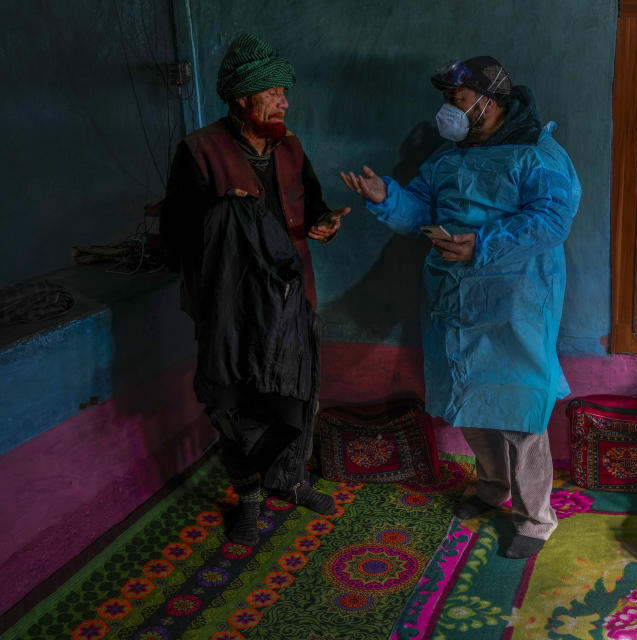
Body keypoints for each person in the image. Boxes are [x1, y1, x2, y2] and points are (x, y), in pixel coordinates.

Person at [339, 56, 581, 559]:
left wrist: (482, 244)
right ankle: (493, 488)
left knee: (519, 410)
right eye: (448, 99)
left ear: (489, 102)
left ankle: (536, 517)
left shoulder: (538, 154)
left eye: (458, 99)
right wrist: (387, 198)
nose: (448, 109)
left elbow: (551, 220)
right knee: (471, 400)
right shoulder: (448, 158)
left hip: (516, 297)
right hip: (455, 299)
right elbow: (421, 211)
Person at [161, 33, 349, 546]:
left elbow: (312, 207)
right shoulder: (200, 150)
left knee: (296, 396)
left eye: (285, 93)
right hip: (232, 308)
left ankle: (287, 480)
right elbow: (175, 234)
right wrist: (225, 210)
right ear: (244, 98)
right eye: (275, 93)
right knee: (236, 402)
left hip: (291, 300)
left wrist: (325, 223)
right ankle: (247, 497)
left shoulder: (290, 146)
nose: (286, 102)